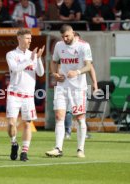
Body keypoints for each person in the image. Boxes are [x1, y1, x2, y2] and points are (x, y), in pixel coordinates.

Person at [46, 24, 92, 158]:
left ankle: (80, 149)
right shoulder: (59, 45)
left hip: (78, 88)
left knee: (79, 118)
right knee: (59, 116)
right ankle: (58, 148)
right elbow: (54, 61)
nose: (65, 39)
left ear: (72, 33)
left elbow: (89, 66)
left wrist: (77, 72)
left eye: (67, 36)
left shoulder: (84, 45)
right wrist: (54, 73)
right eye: (63, 36)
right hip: (62, 86)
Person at [6, 29, 45, 161]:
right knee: (11, 124)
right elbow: (15, 68)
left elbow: (40, 73)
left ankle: (24, 152)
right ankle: (14, 143)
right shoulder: (11, 54)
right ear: (19, 38)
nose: (30, 41)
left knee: (27, 124)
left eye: (30, 38)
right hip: (14, 93)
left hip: (28, 95)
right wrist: (30, 59)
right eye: (27, 38)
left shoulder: (32, 55)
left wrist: (38, 59)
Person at [64, 32, 98, 139]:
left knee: (81, 111)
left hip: (80, 86)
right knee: (69, 109)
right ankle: (67, 132)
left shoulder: (83, 51)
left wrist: (94, 83)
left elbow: (90, 67)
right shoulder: (64, 50)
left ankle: (82, 132)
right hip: (67, 84)